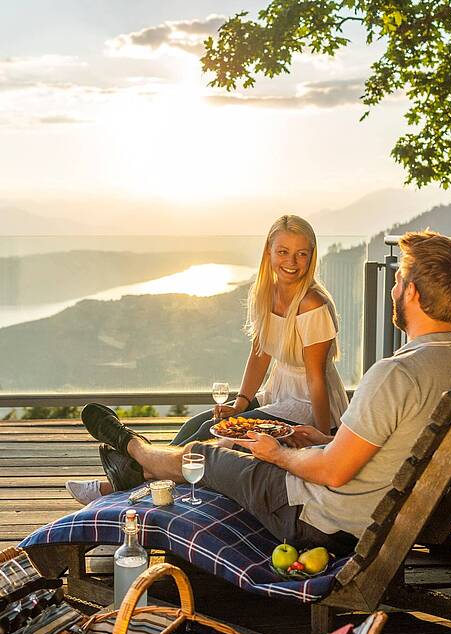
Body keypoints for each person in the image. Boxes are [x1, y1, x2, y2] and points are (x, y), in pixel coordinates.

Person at [77, 231, 451, 551]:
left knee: (204, 455)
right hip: (364, 506)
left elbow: (332, 472)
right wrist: (323, 439)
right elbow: (379, 448)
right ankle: (135, 468)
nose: (394, 289)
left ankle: (133, 449)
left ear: (412, 293)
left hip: (319, 518)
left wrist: (281, 455)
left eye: (399, 281)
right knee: (226, 440)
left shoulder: (396, 374)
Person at [67, 214, 349, 504]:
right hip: (278, 393)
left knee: (209, 440)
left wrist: (323, 434)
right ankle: (139, 474)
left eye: (302, 254)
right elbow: (259, 355)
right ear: (268, 251)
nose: (292, 261)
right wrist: (240, 402)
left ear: (312, 256)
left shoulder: (311, 304)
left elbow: (315, 378)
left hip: (306, 404)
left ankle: (118, 485)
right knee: (196, 426)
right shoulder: (267, 293)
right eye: (283, 252)